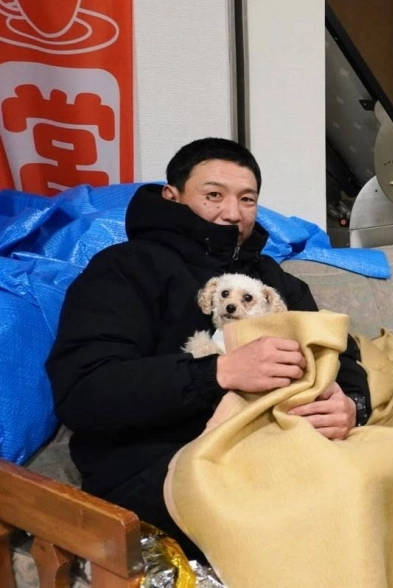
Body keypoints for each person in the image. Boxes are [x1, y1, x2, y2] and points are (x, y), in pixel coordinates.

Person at [46, 138, 371, 560]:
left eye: (247, 199)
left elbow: (339, 352)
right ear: (173, 196)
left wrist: (353, 405)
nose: (233, 213)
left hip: (273, 441)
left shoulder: (273, 280)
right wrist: (217, 373)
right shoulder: (124, 269)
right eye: (214, 195)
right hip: (156, 464)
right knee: (327, 507)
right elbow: (84, 391)